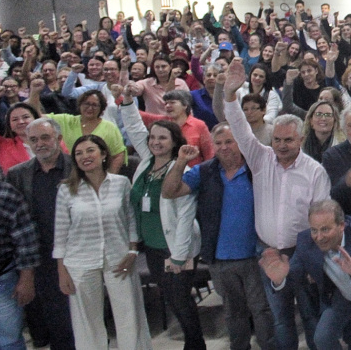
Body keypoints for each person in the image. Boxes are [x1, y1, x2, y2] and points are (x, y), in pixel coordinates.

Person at [222, 58, 331, 349]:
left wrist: (314, 259)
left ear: (302, 138)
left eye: (288, 140)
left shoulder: (315, 171)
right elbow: (239, 127)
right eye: (277, 139)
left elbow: (321, 220)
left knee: (310, 315)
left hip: (302, 252)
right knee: (280, 317)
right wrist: (230, 95)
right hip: (267, 250)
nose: (281, 145)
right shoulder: (260, 158)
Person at [161, 125, 276, 350]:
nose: (223, 147)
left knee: (262, 309)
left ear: (241, 143)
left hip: (257, 255)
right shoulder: (205, 172)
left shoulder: (257, 169)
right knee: (234, 313)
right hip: (220, 257)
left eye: (229, 142)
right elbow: (169, 191)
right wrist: (181, 161)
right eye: (219, 143)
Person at [119, 85, 207, 350]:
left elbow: (185, 217)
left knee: (180, 299)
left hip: (176, 249)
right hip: (154, 248)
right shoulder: (145, 162)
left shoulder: (181, 169)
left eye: (163, 139)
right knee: (172, 298)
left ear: (175, 143)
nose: (156, 142)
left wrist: (179, 256)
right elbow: (135, 127)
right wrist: (126, 100)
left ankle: (196, 345)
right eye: (153, 138)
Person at [259, 199, 351, 350]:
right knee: (322, 338)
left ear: (341, 225)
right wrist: (280, 280)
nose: (319, 237)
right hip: (344, 295)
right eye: (314, 230)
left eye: (325, 229)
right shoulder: (305, 241)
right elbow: (295, 275)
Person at [53, 135, 153, 350]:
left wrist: (133, 251)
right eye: (78, 153)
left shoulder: (121, 183)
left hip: (119, 257)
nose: (84, 157)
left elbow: (131, 220)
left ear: (103, 154)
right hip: (79, 262)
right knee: (88, 322)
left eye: (90, 151)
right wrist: (62, 270)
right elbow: (60, 232)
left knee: (130, 316)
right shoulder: (66, 189)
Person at [6, 118, 76, 350]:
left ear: (58, 139)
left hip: (78, 251)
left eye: (45, 137)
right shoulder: (18, 174)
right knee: (56, 318)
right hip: (43, 256)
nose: (40, 144)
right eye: (34, 139)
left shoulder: (77, 167)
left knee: (84, 314)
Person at [0, 144, 39, 350]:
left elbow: (26, 239)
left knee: (9, 343)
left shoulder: (4, 194)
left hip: (0, 283)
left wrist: (26, 279)